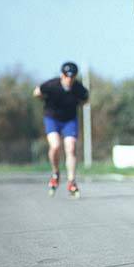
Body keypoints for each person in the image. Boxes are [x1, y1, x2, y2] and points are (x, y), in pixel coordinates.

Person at [33, 62, 89, 198]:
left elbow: (86, 99)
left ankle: (71, 181)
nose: (68, 79)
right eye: (66, 76)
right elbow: (36, 92)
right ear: (61, 75)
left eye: (72, 77)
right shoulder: (52, 85)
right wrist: (45, 100)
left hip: (69, 120)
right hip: (52, 118)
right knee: (56, 145)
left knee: (71, 147)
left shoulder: (78, 88)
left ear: (75, 77)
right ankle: (55, 172)